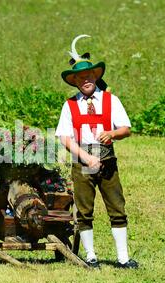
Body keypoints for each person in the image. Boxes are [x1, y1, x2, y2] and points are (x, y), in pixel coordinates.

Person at [55, 35, 139, 269]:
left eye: (89, 76)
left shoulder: (111, 101)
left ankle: (123, 258)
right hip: (82, 161)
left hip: (108, 160)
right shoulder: (70, 105)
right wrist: (85, 157)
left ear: (96, 77)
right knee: (84, 211)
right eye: (81, 78)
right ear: (76, 82)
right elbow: (64, 137)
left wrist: (112, 134)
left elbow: (126, 129)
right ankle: (90, 257)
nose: (86, 80)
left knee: (117, 208)